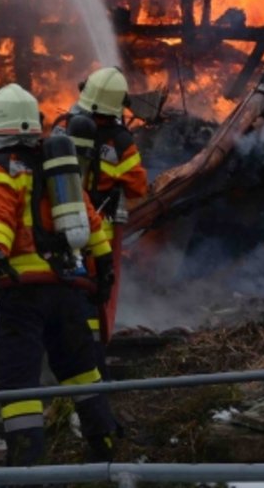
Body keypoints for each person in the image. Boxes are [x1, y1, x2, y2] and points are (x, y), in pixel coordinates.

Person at [0, 83, 120, 466]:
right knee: (82, 371)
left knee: (18, 382)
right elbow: (90, 218)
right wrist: (103, 266)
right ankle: (105, 446)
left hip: (22, 293)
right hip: (67, 287)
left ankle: (25, 465)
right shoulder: (57, 166)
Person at [52, 67, 148, 343]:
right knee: (93, 291)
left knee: (60, 283)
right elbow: (138, 187)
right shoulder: (121, 143)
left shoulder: (61, 126)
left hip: (57, 220)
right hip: (99, 232)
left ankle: (59, 344)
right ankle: (91, 350)